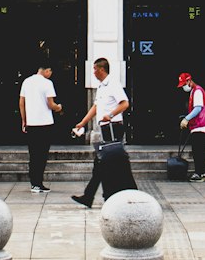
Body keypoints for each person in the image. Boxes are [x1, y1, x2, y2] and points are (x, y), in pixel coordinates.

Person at [71, 57, 130, 208]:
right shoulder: (102, 86)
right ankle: (91, 196)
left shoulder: (113, 84)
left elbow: (125, 103)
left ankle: (103, 195)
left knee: (106, 161)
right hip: (105, 128)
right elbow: (96, 107)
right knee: (102, 161)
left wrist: (110, 115)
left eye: (95, 69)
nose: (94, 72)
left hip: (113, 127)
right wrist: (83, 122)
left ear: (102, 69)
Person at [19, 61, 61, 192]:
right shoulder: (48, 83)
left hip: (31, 123)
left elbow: (21, 102)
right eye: (50, 72)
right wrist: (58, 107)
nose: (50, 74)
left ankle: (34, 183)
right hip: (45, 123)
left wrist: (24, 120)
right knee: (42, 155)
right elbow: (51, 104)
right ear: (46, 70)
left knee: (33, 154)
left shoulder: (27, 81)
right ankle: (39, 182)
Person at [178, 71, 205, 182]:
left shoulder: (197, 91)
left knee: (199, 151)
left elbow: (198, 108)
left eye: (183, 84)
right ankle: (200, 173)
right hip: (197, 125)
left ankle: (200, 173)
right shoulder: (193, 91)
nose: (183, 87)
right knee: (198, 150)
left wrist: (186, 119)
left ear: (189, 81)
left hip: (200, 125)